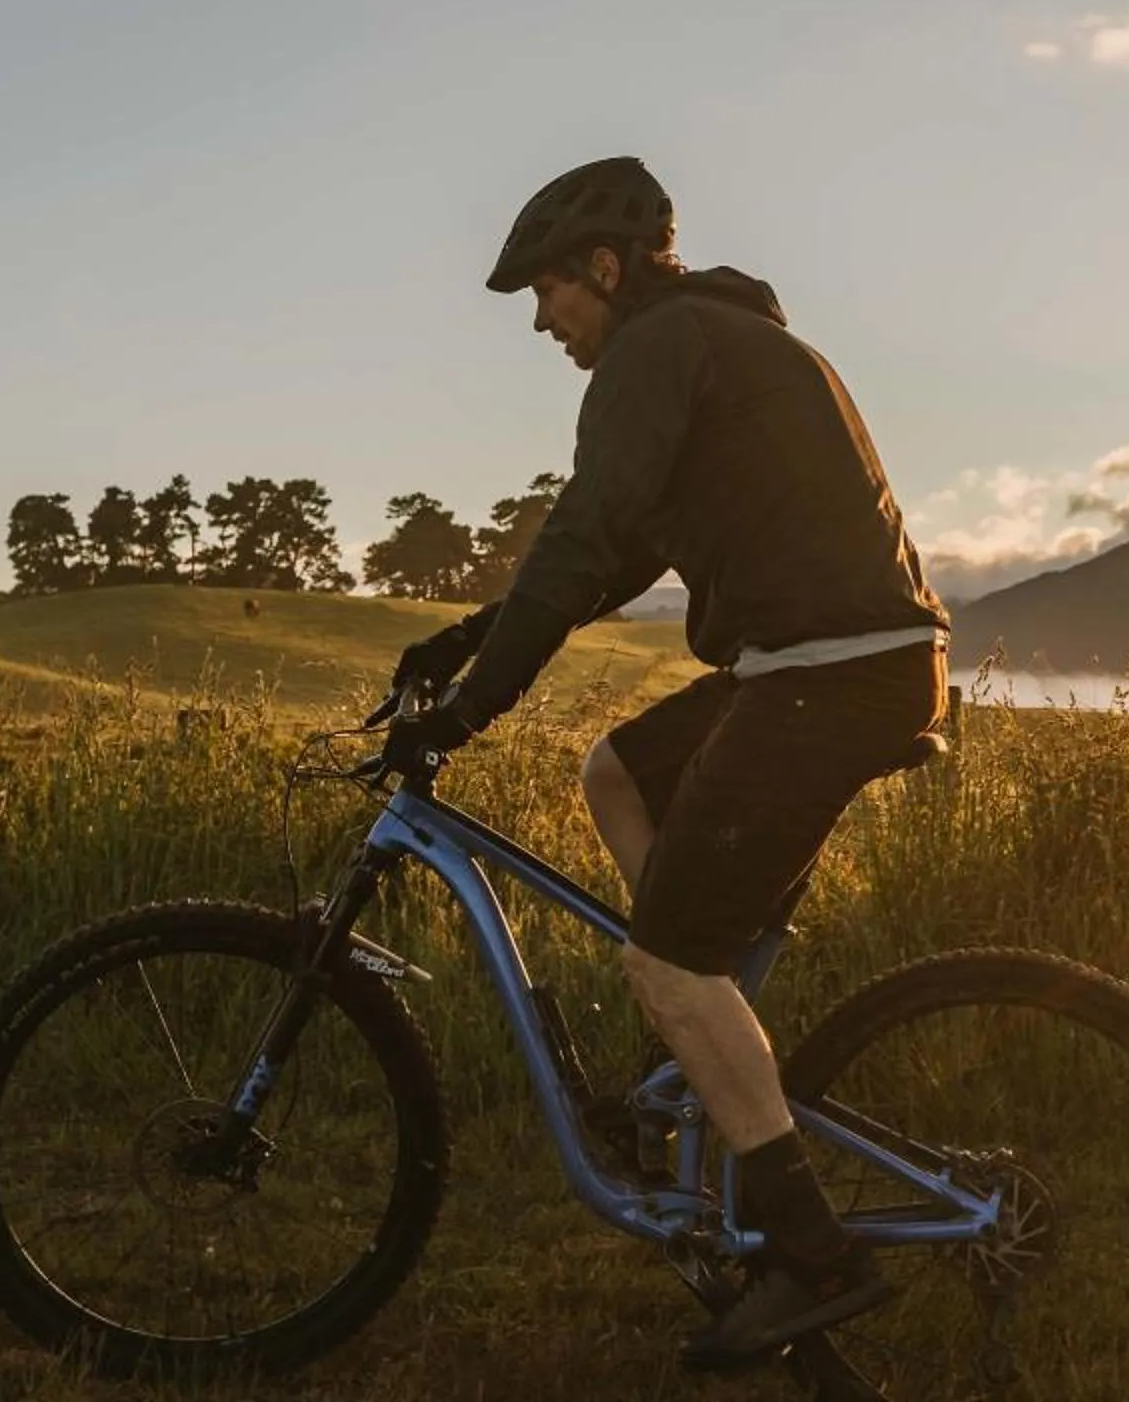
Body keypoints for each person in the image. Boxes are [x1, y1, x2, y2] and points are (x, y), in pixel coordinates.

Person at [379, 155, 949, 1367]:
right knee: (618, 775)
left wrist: (469, 708)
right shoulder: (709, 343)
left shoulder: (660, 343)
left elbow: (587, 526)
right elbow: (619, 550)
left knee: (672, 961)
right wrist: (470, 634)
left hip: (830, 671)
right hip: (823, 663)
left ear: (605, 266)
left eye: (547, 291)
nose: (542, 320)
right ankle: (691, 1066)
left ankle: (814, 1255)